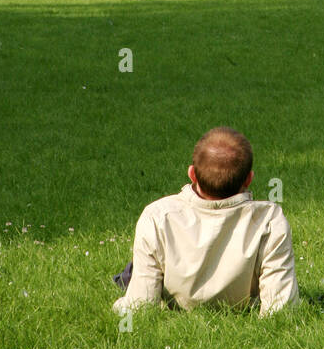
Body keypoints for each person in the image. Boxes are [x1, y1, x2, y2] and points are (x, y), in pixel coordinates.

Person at [112, 127, 298, 317]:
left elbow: (140, 307)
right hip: (244, 308)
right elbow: (280, 309)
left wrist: (120, 305)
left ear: (192, 174)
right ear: (249, 179)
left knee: (130, 273)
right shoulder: (269, 220)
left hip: (174, 307)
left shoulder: (157, 216)